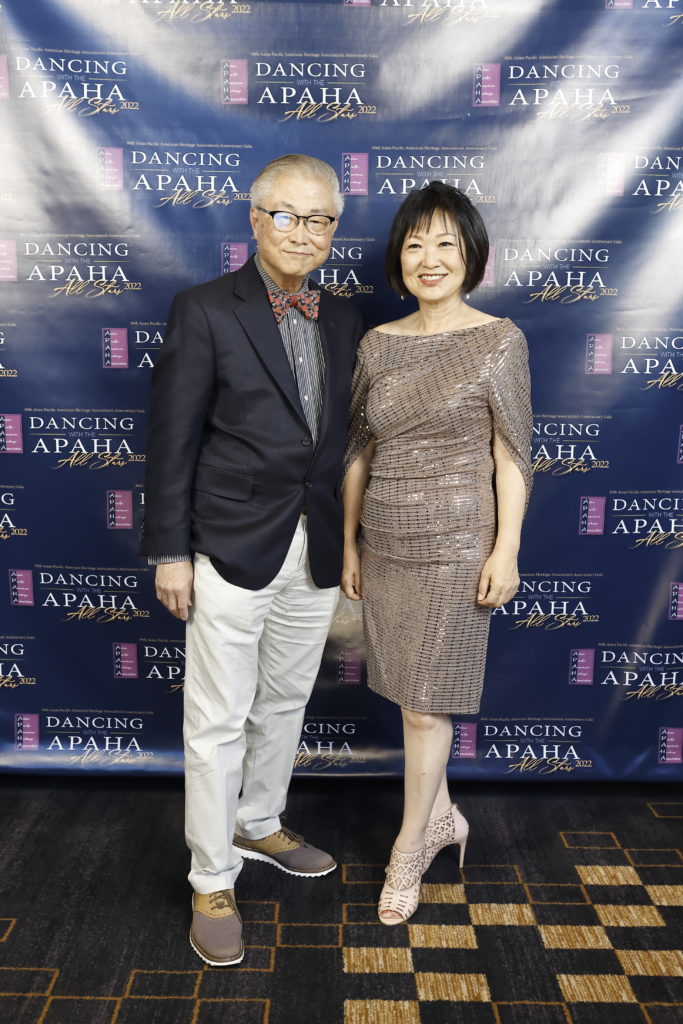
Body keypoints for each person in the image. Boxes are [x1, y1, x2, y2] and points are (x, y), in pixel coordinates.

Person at [141, 154, 363, 966]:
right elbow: (172, 440)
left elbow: (344, 442)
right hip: (229, 544)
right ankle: (211, 877)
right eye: (286, 215)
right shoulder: (203, 309)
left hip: (315, 545)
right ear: (255, 219)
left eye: (319, 219)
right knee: (215, 722)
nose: (302, 233)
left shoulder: (346, 317)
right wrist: (171, 551)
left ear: (333, 229)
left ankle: (259, 821)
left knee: (285, 702)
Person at [341, 182, 532, 925]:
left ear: (471, 255)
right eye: (415, 244)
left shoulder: (499, 340)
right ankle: (445, 818)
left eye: (446, 244)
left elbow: (511, 455)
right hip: (385, 542)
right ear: (399, 257)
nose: (430, 258)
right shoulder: (377, 344)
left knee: (425, 708)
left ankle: (407, 850)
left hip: (458, 545)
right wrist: (350, 542)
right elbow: (358, 451)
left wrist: (505, 549)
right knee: (407, 695)